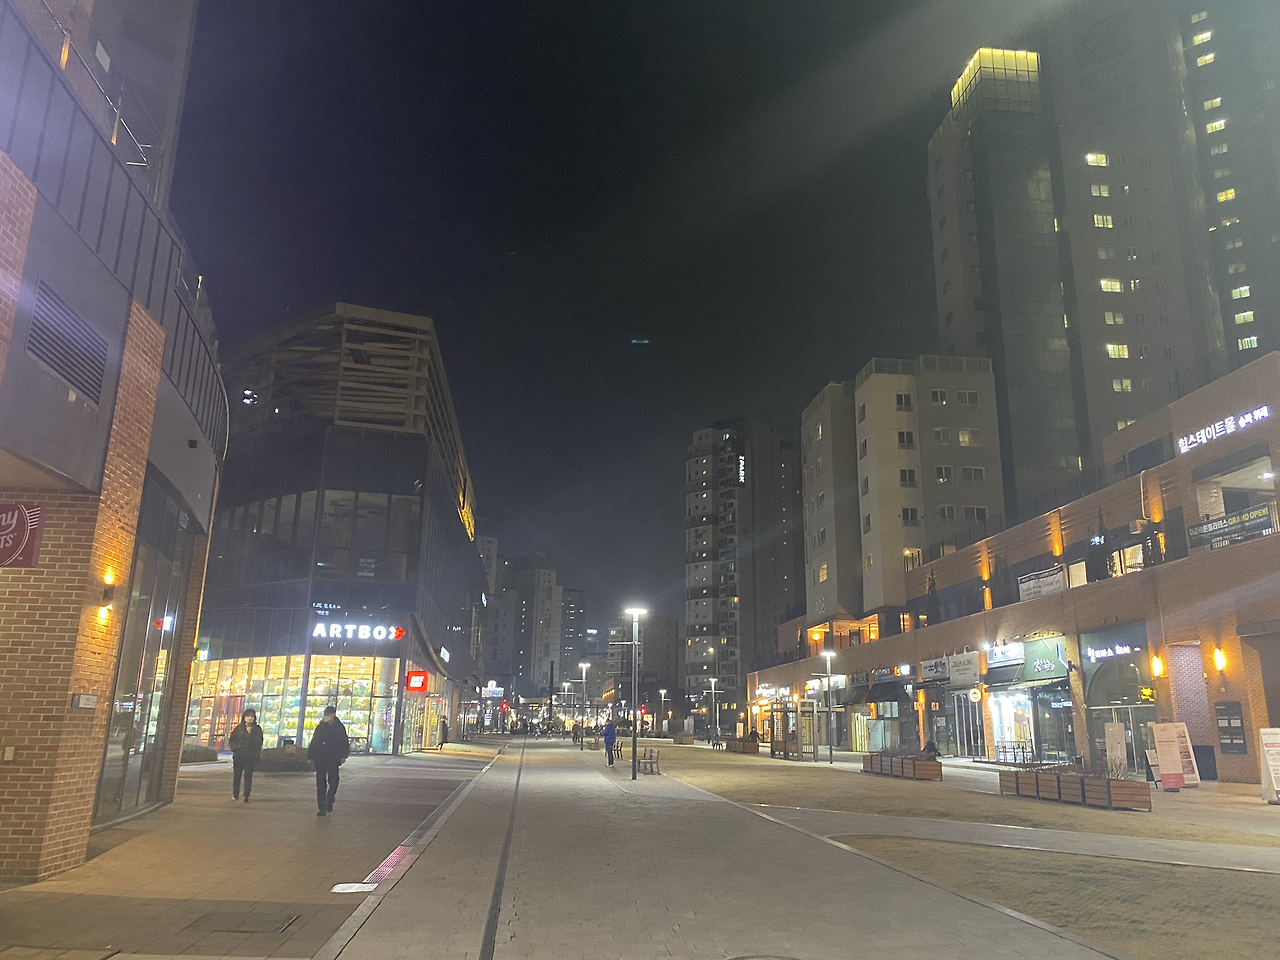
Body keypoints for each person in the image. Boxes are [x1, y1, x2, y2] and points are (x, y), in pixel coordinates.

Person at [308, 705, 350, 817]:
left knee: (334, 781)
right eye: (325, 714)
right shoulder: (320, 726)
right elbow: (314, 741)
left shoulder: (339, 727)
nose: (326, 716)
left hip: (333, 758)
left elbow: (344, 742)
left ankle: (330, 799)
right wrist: (311, 756)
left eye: (328, 714)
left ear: (333, 715)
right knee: (320, 783)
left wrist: (343, 755)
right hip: (320, 758)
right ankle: (322, 808)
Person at [228, 708, 263, 803]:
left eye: (252, 716)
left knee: (248, 775)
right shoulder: (238, 729)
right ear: (244, 717)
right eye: (248, 716)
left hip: (251, 756)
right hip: (239, 756)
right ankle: (235, 793)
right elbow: (232, 740)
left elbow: (260, 742)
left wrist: (256, 752)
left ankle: (246, 795)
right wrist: (235, 749)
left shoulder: (257, 729)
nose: (249, 718)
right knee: (237, 775)